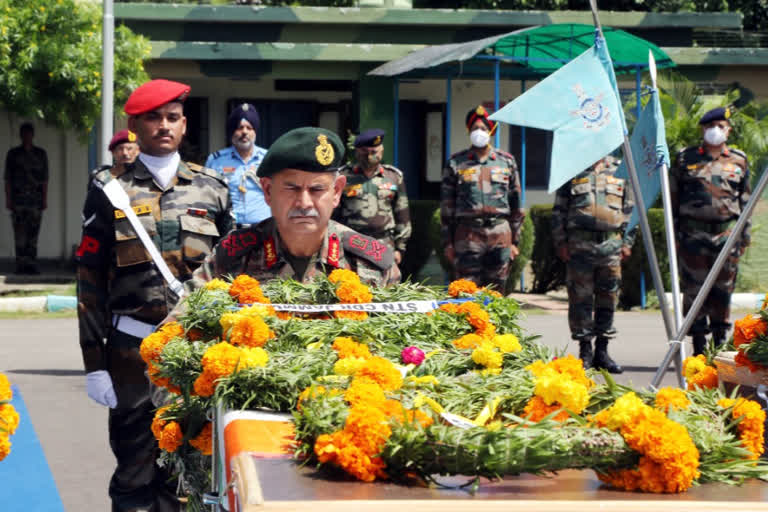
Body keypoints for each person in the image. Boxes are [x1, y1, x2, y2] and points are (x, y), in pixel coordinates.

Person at [75, 79, 232, 512]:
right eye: (153, 118)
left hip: (197, 351)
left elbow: (232, 274)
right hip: (133, 354)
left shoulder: (213, 188)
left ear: (184, 125)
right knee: (134, 472)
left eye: (173, 118)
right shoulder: (109, 189)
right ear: (134, 126)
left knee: (193, 470)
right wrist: (94, 363)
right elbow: (89, 280)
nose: (164, 126)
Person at [178, 126, 401, 298]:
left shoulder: (372, 264)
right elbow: (177, 330)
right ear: (267, 190)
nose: (304, 203)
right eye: (292, 188)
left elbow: (403, 344)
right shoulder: (231, 260)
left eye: (317, 189)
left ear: (337, 191)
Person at [670, 106, 751, 355]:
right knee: (694, 291)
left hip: (726, 237)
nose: (714, 131)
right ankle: (698, 346)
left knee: (723, 290)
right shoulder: (686, 159)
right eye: (709, 127)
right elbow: (673, 199)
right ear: (702, 130)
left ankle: (719, 344)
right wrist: (674, 236)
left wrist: (744, 235)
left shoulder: (739, 160)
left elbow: (744, 200)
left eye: (720, 126)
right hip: (693, 236)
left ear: (728, 130)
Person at [552, 156, 636, 374]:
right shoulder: (572, 168)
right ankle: (585, 352)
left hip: (611, 246)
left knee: (608, 298)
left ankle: (602, 351)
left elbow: (631, 210)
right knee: (580, 299)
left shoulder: (620, 170)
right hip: (580, 247)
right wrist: (560, 242)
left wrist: (627, 242)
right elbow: (559, 210)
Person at [440, 105, 525, 292]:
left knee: (496, 292)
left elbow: (517, 204)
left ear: (491, 131)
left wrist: (515, 242)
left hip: (500, 234)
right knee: (466, 292)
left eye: (483, 129)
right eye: (475, 129)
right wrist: (447, 243)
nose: (479, 132)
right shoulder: (456, 162)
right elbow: (447, 206)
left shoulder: (506, 161)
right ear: (468, 131)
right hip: (468, 235)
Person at [333, 129, 411, 264]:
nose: (369, 157)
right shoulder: (343, 176)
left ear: (381, 150)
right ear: (357, 152)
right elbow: (333, 214)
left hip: (384, 243)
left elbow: (402, 214)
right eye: (365, 152)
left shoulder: (393, 176)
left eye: (373, 152)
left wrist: (400, 248)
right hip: (351, 242)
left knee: (385, 283)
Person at [205, 103, 270, 227]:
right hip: (230, 229)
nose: (244, 132)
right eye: (239, 128)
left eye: (249, 128)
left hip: (263, 228)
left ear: (255, 132)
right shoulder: (216, 160)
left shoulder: (268, 158)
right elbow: (207, 196)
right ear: (232, 132)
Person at [4, 122, 48, 274]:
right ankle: (20, 265)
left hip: (35, 200)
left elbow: (44, 179)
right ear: (21, 135)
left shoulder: (40, 154)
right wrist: (8, 199)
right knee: (19, 234)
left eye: (29, 133)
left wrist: (44, 199)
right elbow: (7, 179)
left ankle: (31, 265)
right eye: (24, 134)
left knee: (33, 234)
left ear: (32, 135)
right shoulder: (13, 154)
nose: (27, 137)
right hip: (18, 200)